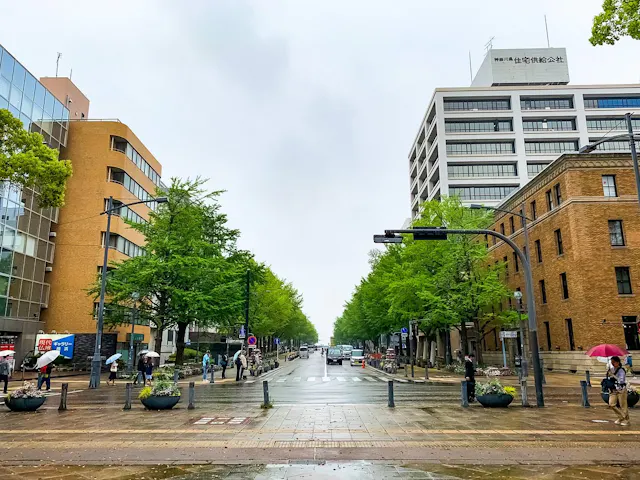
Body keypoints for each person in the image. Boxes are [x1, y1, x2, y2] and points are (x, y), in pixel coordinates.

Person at [606, 356, 630, 426]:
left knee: (623, 405)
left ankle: (627, 420)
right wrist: (608, 374)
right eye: (611, 362)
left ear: (618, 362)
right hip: (613, 389)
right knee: (611, 404)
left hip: (621, 389)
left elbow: (621, 381)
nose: (612, 363)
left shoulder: (621, 370)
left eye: (614, 362)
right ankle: (621, 417)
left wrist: (613, 376)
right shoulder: (611, 369)